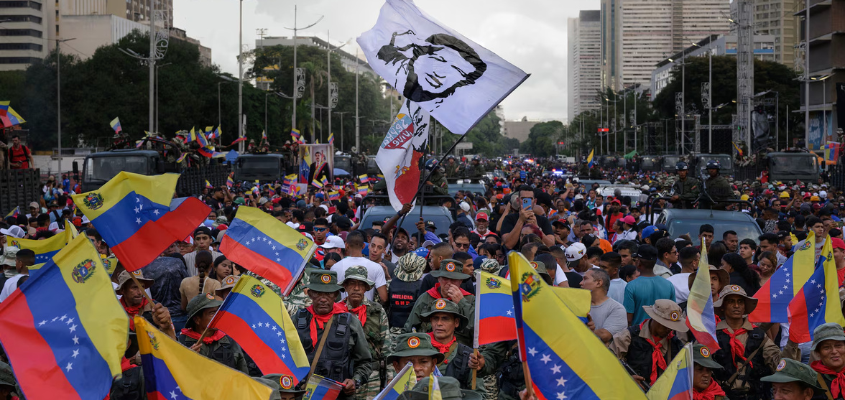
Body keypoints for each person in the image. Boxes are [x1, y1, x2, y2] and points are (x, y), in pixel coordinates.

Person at [294, 270, 372, 398]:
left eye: (328, 294)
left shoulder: (350, 322)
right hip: (303, 394)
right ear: (310, 294)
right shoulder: (297, 320)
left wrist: (354, 381)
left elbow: (365, 362)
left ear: (336, 295)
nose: (323, 299)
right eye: (318, 293)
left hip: (338, 395)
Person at [711, 285, 779, 399]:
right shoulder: (712, 336)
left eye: (740, 302)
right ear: (722, 306)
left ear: (744, 307)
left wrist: (792, 343)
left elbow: (778, 364)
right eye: (731, 301)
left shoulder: (759, 336)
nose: (736, 306)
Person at [418, 299, 496, 390]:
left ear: (456, 322)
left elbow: (479, 394)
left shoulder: (468, 356)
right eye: (435, 318)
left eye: (445, 318)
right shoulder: (417, 350)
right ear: (431, 321)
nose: (439, 323)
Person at [339, 266, 390, 400]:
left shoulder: (377, 311)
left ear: (366, 288)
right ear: (345, 286)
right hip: (343, 375)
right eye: (352, 284)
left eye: (361, 284)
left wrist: (390, 377)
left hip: (371, 377)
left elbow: (386, 346)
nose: (356, 288)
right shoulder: (337, 311)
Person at [611, 299, 687, 387]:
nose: (669, 329)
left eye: (671, 326)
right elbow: (608, 364)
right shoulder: (627, 337)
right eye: (665, 325)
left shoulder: (675, 344)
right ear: (655, 319)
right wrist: (627, 379)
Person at [404, 259, 475, 347]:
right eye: (445, 279)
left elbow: (477, 328)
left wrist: (462, 302)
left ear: (460, 281)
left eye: (454, 280)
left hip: (459, 350)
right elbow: (410, 326)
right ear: (439, 279)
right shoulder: (426, 297)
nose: (449, 283)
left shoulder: (470, 299)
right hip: (428, 348)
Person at [179, 293, 248, 373]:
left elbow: (244, 374)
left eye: (218, 312)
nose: (217, 316)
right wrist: (188, 359)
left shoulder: (228, 341)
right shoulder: (182, 343)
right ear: (197, 320)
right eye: (212, 313)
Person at [623, 245, 676, 325]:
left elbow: (629, 319)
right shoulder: (668, 284)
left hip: (639, 333)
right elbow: (673, 312)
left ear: (639, 262)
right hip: (662, 333)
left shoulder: (631, 286)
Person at [330, 230, 388, 303]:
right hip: (366, 312)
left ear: (346, 245)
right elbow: (384, 297)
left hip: (343, 311)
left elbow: (331, 294)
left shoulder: (335, 267)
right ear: (364, 246)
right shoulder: (376, 267)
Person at [115, 270, 175, 339]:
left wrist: (167, 327)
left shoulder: (155, 308)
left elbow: (173, 341)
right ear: (123, 290)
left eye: (142, 287)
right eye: (134, 287)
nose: (140, 292)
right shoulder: (114, 310)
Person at [583, 268, 627, 344]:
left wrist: (585, 331)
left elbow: (605, 335)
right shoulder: (579, 304)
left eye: (585, 279)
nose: (581, 283)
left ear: (598, 283)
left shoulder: (616, 308)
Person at [388, 253, 426, 340]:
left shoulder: (391, 283)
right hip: (414, 331)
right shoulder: (422, 286)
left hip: (394, 329)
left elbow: (384, 303)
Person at [808, 322, 845, 400]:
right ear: (818, 353)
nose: (834, 351)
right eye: (826, 347)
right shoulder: (811, 380)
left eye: (838, 345)